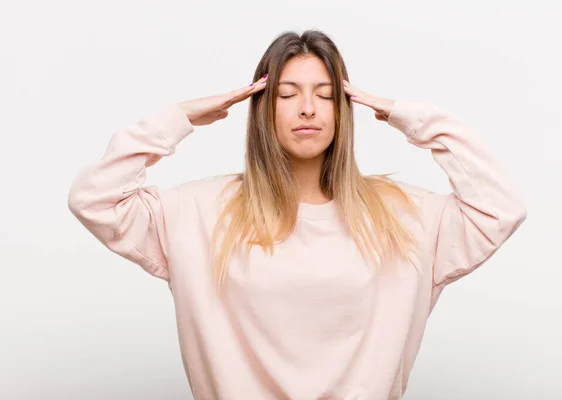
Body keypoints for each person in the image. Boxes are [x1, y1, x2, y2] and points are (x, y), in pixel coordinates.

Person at [68, 30, 527, 400]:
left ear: (345, 108)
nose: (307, 107)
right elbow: (95, 197)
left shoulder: (402, 218)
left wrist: (407, 116)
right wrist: (178, 118)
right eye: (287, 94)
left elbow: (501, 208)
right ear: (262, 106)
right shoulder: (199, 212)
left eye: (325, 94)